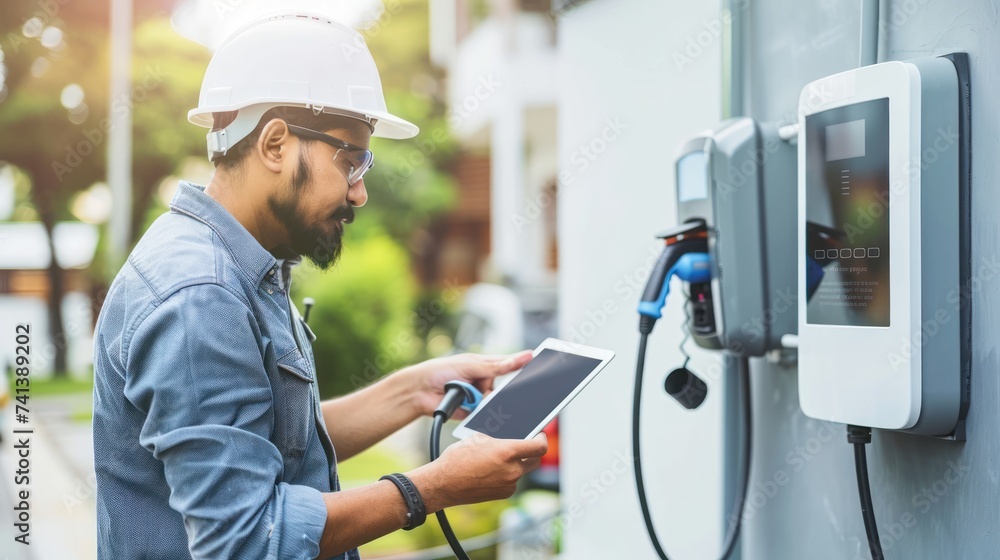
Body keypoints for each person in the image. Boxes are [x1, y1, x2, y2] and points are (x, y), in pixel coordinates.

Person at [92, 13, 547, 560]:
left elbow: (269, 446)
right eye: (351, 161)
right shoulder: (200, 296)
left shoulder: (238, 265)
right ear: (276, 144)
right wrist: (433, 488)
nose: (360, 194)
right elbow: (244, 541)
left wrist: (412, 391)